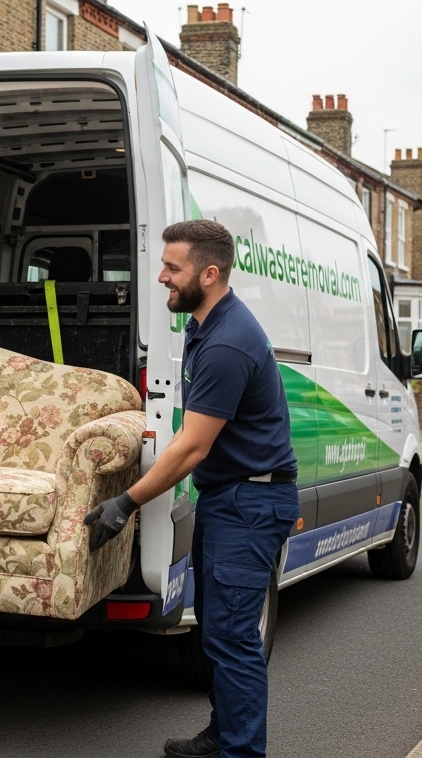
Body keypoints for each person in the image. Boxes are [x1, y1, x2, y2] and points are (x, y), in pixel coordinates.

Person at [86, 219, 297, 758]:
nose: (161, 277)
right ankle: (222, 734)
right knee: (216, 632)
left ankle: (241, 752)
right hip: (230, 498)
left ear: (210, 272)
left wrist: (125, 503)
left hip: (249, 504)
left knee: (233, 641)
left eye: (172, 268)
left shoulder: (228, 342)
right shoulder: (206, 324)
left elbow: (193, 446)